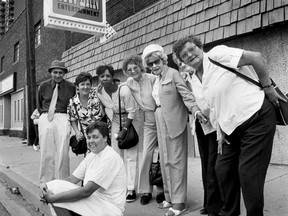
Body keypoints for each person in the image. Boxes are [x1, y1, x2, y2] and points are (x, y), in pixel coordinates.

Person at [173, 35, 286, 216]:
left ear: (199, 47)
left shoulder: (217, 55)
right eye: (184, 55)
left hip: (256, 118)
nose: (189, 54)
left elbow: (255, 57)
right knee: (223, 170)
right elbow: (215, 108)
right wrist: (220, 133)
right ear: (182, 60)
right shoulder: (196, 78)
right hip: (231, 130)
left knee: (249, 174)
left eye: (191, 49)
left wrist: (267, 87)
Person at [142, 44, 206, 216]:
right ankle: (169, 197)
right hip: (159, 119)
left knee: (176, 162)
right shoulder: (156, 79)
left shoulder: (173, 73)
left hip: (174, 121)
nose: (154, 66)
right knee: (165, 161)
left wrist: (195, 110)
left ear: (163, 60)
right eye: (150, 64)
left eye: (156, 62)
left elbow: (186, 94)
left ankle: (179, 203)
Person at [40, 121, 126, 216]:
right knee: (52, 187)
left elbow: (86, 191)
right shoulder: (91, 155)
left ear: (105, 138)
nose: (91, 141)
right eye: (89, 137)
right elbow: (71, 180)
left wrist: (53, 198)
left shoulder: (110, 157)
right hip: (95, 202)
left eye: (95, 137)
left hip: (109, 208)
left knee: (56, 195)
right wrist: (46, 187)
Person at [173, 53, 222, 216]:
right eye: (179, 63)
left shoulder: (203, 73)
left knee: (214, 165)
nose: (183, 65)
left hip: (214, 122)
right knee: (206, 163)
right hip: (200, 123)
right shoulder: (185, 78)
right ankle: (209, 203)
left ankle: (216, 206)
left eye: (183, 62)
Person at [122, 54, 165, 205]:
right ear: (126, 72)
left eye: (135, 67)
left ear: (141, 67)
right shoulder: (129, 82)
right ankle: (146, 190)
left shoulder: (152, 78)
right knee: (147, 154)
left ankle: (162, 190)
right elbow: (120, 88)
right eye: (129, 69)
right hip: (147, 122)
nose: (133, 71)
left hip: (161, 117)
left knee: (162, 155)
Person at [96, 65, 139, 203]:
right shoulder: (99, 92)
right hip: (115, 121)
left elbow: (133, 111)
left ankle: (131, 189)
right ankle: (120, 186)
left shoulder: (123, 90)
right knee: (116, 154)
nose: (105, 78)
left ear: (112, 77)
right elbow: (104, 108)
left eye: (108, 76)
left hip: (130, 121)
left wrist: (125, 129)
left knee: (131, 155)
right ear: (99, 78)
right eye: (102, 76)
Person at [37, 60, 76, 185]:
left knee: (63, 150)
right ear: (51, 73)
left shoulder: (71, 87)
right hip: (46, 116)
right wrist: (45, 115)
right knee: (46, 151)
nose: (57, 75)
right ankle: (46, 183)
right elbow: (39, 104)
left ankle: (64, 182)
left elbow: (73, 105)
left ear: (64, 73)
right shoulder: (43, 86)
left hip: (63, 117)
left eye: (60, 72)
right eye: (55, 72)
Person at [67, 72, 108, 143]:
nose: (85, 87)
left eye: (88, 84)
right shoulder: (72, 102)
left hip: (104, 134)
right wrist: (77, 132)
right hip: (88, 137)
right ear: (77, 86)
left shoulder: (97, 94)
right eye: (82, 84)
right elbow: (73, 119)